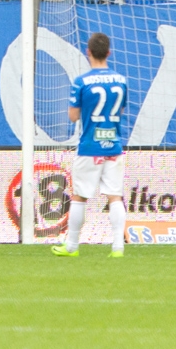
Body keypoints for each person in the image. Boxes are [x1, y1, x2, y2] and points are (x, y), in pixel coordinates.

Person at [52, 31, 129, 258]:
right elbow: (121, 111)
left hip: (89, 146)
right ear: (109, 53)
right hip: (114, 146)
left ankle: (73, 246)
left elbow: (73, 116)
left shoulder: (82, 82)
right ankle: (118, 247)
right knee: (115, 196)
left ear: (88, 53)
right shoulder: (121, 80)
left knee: (80, 196)